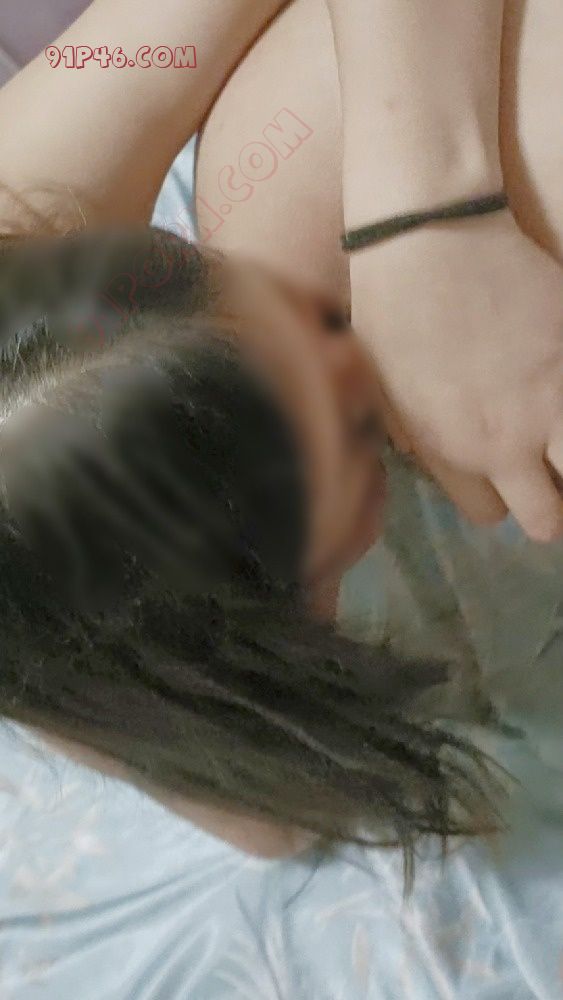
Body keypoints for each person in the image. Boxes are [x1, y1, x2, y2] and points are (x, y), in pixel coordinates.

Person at [0, 0, 558, 860]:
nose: (354, 361)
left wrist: (428, 217)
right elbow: (266, 814)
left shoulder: (70, 136)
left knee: (274, 196)